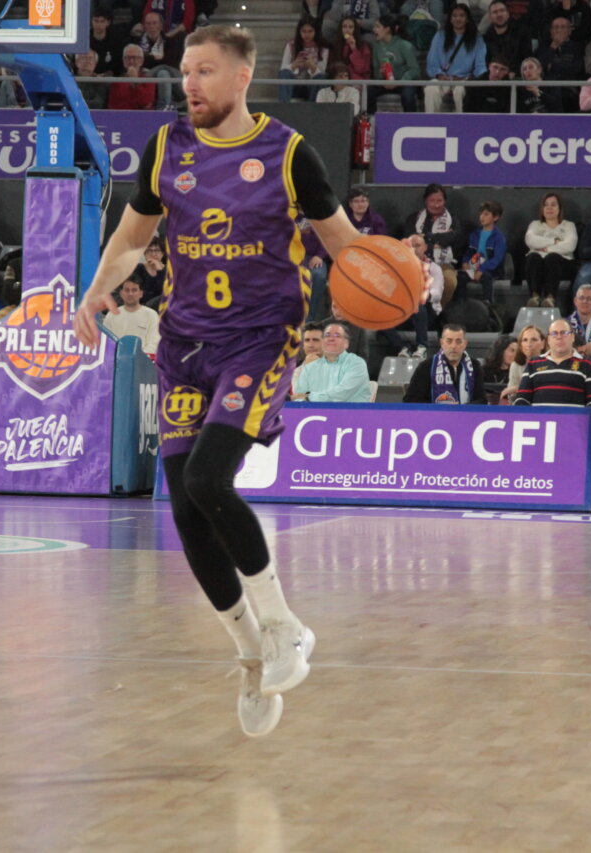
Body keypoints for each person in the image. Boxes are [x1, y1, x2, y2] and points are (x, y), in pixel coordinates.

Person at [74, 26, 390, 738]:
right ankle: (251, 653)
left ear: (243, 78)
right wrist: (94, 291)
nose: (190, 84)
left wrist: (389, 281)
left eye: (205, 72)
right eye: (185, 71)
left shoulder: (288, 155)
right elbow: (132, 239)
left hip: (259, 339)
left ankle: (285, 627)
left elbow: (344, 247)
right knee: (186, 508)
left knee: (210, 479)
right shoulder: (167, 148)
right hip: (185, 341)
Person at [513, 318, 591, 406]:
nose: (559, 337)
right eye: (554, 333)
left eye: (564, 333)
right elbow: (522, 399)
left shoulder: (587, 364)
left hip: (574, 419)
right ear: (548, 340)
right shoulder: (533, 363)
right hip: (540, 419)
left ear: (572, 337)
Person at [403, 183, 464, 300]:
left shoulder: (452, 219)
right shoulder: (413, 219)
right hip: (417, 263)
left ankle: (437, 314)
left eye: (439, 201)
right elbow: (410, 241)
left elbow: (455, 238)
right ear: (426, 201)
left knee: (450, 282)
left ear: (444, 201)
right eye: (432, 200)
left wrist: (425, 238)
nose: (436, 205)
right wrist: (439, 240)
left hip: (444, 264)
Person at [425, 3, 487, 112]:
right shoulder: (439, 36)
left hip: (465, 79)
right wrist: (439, 75)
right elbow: (432, 62)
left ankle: (462, 123)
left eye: (462, 15)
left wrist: (471, 78)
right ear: (450, 19)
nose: (458, 18)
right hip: (444, 78)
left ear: (467, 19)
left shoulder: (477, 38)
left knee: (460, 91)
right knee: (431, 88)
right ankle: (431, 122)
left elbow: (480, 65)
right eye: (454, 15)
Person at [403, 324, 486, 403]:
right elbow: (410, 400)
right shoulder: (426, 366)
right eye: (449, 341)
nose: (453, 346)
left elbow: (481, 399)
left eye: (458, 342)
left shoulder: (474, 366)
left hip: (466, 416)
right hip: (433, 416)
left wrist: (461, 409)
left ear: (465, 344)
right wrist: (442, 408)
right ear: (442, 343)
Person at [290, 321, 370, 402]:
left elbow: (342, 394)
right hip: (314, 413)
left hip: (351, 413)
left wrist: (309, 397)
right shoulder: (309, 367)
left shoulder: (357, 364)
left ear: (346, 343)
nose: (331, 339)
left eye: (337, 335)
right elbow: (298, 397)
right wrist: (303, 399)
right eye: (327, 335)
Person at [524, 192, 577, 308]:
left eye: (553, 205)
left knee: (552, 257)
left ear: (560, 208)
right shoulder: (535, 225)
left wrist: (545, 248)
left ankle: (550, 298)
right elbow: (530, 240)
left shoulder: (569, 225)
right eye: (546, 205)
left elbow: (569, 246)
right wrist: (554, 241)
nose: (549, 208)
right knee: (533, 257)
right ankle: (534, 297)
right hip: (538, 264)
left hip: (561, 263)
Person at [455, 199, 506, 304]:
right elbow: (469, 252)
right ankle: (461, 303)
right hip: (474, 266)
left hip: (490, 268)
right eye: (481, 214)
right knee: (460, 277)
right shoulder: (474, 234)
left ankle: (487, 303)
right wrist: (465, 262)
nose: (482, 217)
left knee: (487, 277)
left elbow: (497, 258)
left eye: (486, 214)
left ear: (495, 217)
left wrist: (482, 269)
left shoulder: (499, 237)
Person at [370, 14, 420, 112]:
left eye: (377, 26)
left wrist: (399, 82)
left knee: (408, 95)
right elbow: (376, 72)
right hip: (385, 83)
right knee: (369, 91)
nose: (374, 30)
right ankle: (370, 121)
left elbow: (415, 69)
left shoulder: (405, 46)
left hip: (403, 82)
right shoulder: (376, 47)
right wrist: (381, 75)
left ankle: (412, 122)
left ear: (387, 29)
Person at [537, 15, 586, 111]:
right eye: (555, 27)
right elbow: (538, 67)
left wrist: (552, 66)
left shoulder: (578, 47)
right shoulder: (544, 46)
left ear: (569, 31)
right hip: (547, 89)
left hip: (568, 90)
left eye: (563, 27)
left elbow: (576, 68)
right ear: (551, 31)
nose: (559, 30)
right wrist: (553, 47)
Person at [102, 279, 161, 355]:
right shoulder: (111, 315)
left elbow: (154, 344)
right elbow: (106, 343)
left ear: (141, 293)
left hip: (143, 362)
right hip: (116, 361)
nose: (130, 294)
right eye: (127, 290)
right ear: (121, 293)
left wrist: (137, 358)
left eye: (134, 290)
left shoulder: (151, 315)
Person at [481, 0, 530, 71]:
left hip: (517, 75)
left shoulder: (522, 32)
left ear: (508, 14)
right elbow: (486, 62)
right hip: (495, 75)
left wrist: (514, 71)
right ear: (490, 17)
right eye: (495, 12)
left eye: (502, 10)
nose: (499, 14)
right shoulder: (486, 38)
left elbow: (527, 58)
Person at [109, 44, 158, 110]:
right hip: (120, 117)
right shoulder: (116, 82)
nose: (131, 61)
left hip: (142, 118)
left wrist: (135, 81)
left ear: (141, 60)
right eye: (128, 58)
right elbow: (111, 107)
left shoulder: (149, 81)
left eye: (134, 57)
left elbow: (146, 103)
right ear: (123, 61)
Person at [327, 16, 371, 81]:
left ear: (355, 29)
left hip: (357, 80)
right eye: (344, 27)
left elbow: (360, 69)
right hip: (338, 79)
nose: (347, 30)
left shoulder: (364, 47)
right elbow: (330, 68)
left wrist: (354, 48)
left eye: (350, 27)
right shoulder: (335, 45)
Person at [131, 238, 167, 305]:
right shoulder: (139, 269)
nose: (153, 254)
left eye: (157, 250)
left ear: (162, 253)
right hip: (141, 307)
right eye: (149, 251)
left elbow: (165, 293)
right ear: (145, 254)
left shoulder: (168, 270)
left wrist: (160, 271)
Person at [291, 322, 324, 391]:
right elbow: (299, 394)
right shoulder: (298, 371)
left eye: (315, 340)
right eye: (307, 340)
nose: (310, 345)